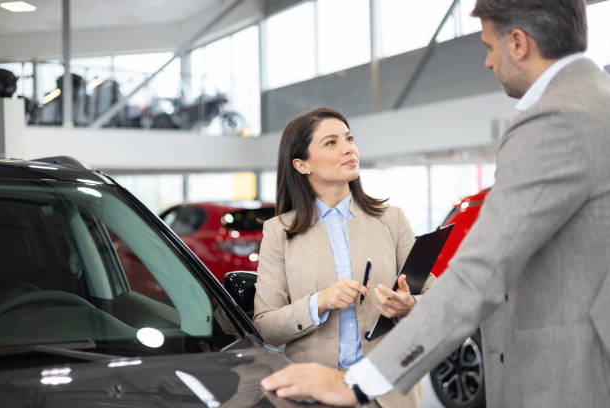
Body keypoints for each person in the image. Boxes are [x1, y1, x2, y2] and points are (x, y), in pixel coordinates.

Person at [260, 1, 610, 407]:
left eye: (489, 46)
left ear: (518, 42)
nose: (488, 62)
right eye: (332, 142)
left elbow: (482, 270)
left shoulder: (557, 118)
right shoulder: (595, 103)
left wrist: (357, 382)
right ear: (300, 164)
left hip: (572, 372)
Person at [253, 107, 436, 407]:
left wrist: (409, 304)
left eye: (349, 139)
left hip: (387, 392)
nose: (349, 149)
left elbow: (437, 297)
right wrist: (319, 302)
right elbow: (266, 327)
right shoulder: (278, 232)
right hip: (314, 393)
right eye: (331, 142)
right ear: (301, 164)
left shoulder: (392, 220)